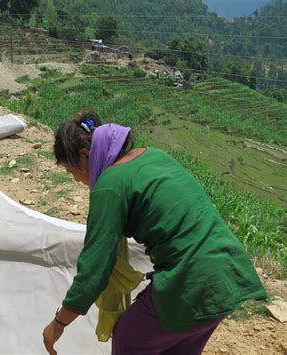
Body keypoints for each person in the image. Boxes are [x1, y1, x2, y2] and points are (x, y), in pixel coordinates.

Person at [42, 111, 266, 355]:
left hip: (189, 282)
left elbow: (94, 269)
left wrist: (59, 322)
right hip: (228, 275)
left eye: (70, 171)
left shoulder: (109, 186)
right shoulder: (155, 156)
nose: (75, 180)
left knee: (129, 337)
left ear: (85, 156)